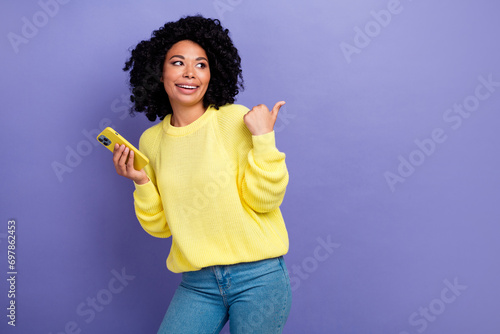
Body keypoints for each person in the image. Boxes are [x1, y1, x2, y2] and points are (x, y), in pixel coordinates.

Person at [112, 15, 291, 333]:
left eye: (201, 64)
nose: (190, 73)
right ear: (160, 71)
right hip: (198, 283)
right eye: (178, 62)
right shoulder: (151, 141)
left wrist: (264, 139)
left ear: (213, 73)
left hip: (258, 278)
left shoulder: (235, 120)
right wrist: (141, 181)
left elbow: (265, 200)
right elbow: (162, 227)